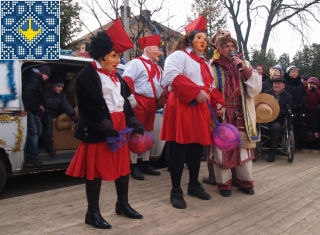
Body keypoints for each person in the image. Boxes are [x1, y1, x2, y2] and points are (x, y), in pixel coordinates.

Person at [65, 19, 144, 229]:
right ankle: (92, 213)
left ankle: (123, 204)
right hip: (100, 129)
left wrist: (133, 121)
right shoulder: (86, 77)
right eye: (114, 56)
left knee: (123, 168)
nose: (118, 60)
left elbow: (125, 103)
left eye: (118, 56)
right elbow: (88, 109)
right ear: (101, 56)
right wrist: (106, 128)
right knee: (95, 172)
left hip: (118, 126)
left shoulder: (118, 78)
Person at [160, 15, 225, 209]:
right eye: (199, 38)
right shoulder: (178, 56)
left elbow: (210, 88)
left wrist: (218, 103)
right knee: (180, 150)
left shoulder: (204, 63)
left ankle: (193, 185)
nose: (203, 41)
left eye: (205, 39)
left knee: (197, 150)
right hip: (182, 106)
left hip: (200, 109)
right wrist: (195, 92)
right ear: (190, 40)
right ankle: (175, 190)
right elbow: (170, 77)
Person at [209, 34, 261, 197]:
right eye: (226, 46)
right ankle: (224, 184)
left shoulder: (244, 64)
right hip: (222, 113)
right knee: (222, 148)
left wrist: (245, 70)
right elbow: (210, 87)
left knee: (243, 148)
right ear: (219, 49)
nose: (230, 49)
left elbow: (255, 88)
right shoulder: (212, 66)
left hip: (241, 112)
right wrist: (216, 103)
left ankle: (245, 182)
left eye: (232, 46)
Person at [122, 34, 163, 180]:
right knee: (136, 132)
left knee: (149, 132)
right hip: (139, 101)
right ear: (149, 48)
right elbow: (126, 80)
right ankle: (133, 165)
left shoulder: (157, 67)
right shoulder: (135, 63)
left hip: (152, 102)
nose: (160, 52)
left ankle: (145, 163)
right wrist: (131, 97)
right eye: (157, 48)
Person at [22, 64, 51, 166]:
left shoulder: (36, 79)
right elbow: (27, 95)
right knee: (34, 131)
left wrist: (38, 105)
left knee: (38, 128)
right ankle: (32, 156)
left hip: (32, 109)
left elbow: (34, 96)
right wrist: (28, 108)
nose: (47, 78)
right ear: (42, 73)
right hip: (29, 110)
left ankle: (30, 151)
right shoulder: (35, 80)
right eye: (47, 75)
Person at [42, 76, 78, 156]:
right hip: (44, 113)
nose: (60, 89)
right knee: (48, 124)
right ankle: (49, 146)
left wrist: (73, 114)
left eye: (62, 87)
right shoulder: (45, 93)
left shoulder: (61, 96)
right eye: (58, 86)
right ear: (53, 86)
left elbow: (66, 105)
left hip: (53, 113)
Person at [264, 78, 293, 162]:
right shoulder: (266, 93)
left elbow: (287, 110)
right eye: (275, 83)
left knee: (276, 127)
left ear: (283, 86)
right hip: (265, 118)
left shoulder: (288, 96)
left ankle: (272, 152)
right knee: (256, 125)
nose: (276, 85)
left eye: (279, 84)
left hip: (279, 119)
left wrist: (275, 113)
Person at [284, 65, 307, 149]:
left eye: (296, 72)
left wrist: (302, 102)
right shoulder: (285, 82)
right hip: (290, 106)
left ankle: (300, 143)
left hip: (300, 107)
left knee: (300, 125)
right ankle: (291, 144)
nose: (295, 74)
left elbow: (304, 94)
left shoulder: (299, 83)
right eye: (293, 72)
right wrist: (291, 103)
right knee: (291, 124)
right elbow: (285, 94)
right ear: (289, 73)